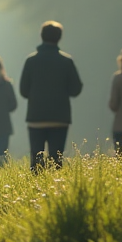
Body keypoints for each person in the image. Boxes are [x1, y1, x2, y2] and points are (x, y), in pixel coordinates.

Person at [20, 21, 83, 171]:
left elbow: (23, 91)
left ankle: (35, 190)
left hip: (36, 117)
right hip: (59, 117)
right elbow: (75, 89)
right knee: (56, 159)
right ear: (59, 38)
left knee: (36, 158)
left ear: (41, 36)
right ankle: (56, 190)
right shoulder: (66, 61)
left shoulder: (31, 61)